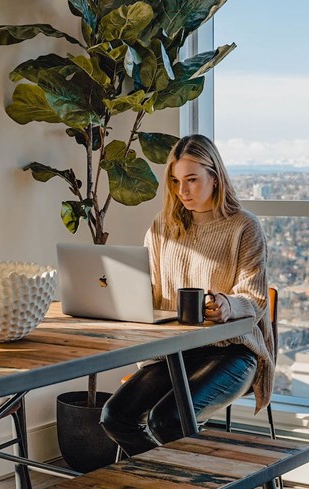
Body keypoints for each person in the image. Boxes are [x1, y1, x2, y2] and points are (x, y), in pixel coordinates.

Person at [100, 134, 274, 456]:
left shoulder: (244, 227)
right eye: (176, 181)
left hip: (232, 353)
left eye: (192, 180)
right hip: (174, 352)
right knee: (115, 417)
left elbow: (255, 298)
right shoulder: (162, 227)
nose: (182, 191)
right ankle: (174, 487)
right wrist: (117, 293)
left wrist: (228, 305)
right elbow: (148, 290)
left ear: (215, 176)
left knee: (167, 420)